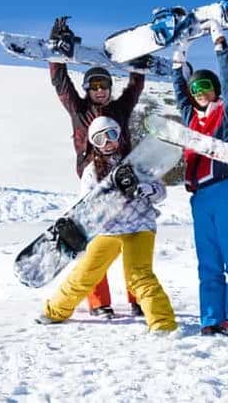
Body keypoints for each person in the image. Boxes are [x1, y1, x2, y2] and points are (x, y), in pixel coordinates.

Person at [37, 117, 177, 332]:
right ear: (94, 144)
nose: (107, 143)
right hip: (109, 230)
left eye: (111, 135)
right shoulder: (92, 171)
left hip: (140, 226)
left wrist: (150, 190)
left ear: (119, 136)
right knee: (85, 273)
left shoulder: (138, 163)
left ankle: (163, 324)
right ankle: (54, 311)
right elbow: (87, 204)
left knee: (139, 276)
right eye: (99, 139)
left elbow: (161, 192)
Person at [48, 16, 143, 318]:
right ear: (87, 89)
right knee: (95, 244)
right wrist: (57, 54)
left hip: (123, 182)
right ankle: (99, 302)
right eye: (95, 86)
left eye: (105, 85)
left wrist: (139, 61)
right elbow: (61, 84)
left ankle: (138, 297)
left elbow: (135, 88)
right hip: (93, 184)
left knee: (131, 240)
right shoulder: (79, 111)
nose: (100, 90)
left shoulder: (120, 109)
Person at [171, 20, 228, 336]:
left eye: (205, 86)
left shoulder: (227, 113)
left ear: (215, 89)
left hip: (227, 189)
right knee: (208, 262)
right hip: (200, 197)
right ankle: (210, 318)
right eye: (196, 89)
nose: (200, 92)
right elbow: (180, 95)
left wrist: (220, 45)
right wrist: (178, 62)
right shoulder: (192, 119)